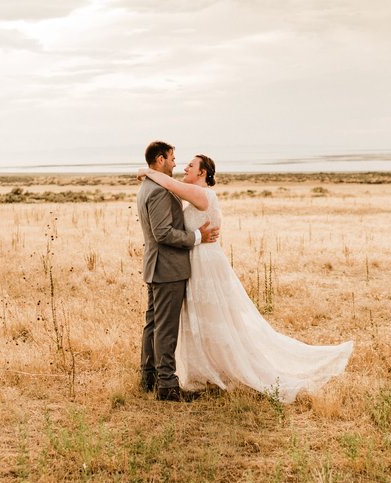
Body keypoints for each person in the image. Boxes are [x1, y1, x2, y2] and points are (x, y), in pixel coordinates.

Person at [138, 154, 353, 403]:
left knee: (217, 320)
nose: (183, 166)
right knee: (201, 321)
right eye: (179, 161)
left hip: (204, 262)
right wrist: (151, 173)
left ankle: (229, 367)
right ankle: (204, 368)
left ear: (203, 173)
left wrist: (149, 172)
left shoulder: (203, 194)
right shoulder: (190, 190)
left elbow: (172, 185)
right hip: (193, 261)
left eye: (191, 165)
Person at [137, 141, 220, 402]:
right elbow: (163, 233)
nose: (176, 163)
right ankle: (167, 386)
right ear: (160, 159)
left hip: (156, 265)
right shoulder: (160, 191)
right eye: (172, 158)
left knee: (153, 324)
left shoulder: (148, 186)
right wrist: (196, 236)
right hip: (168, 267)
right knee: (166, 328)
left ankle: (148, 377)